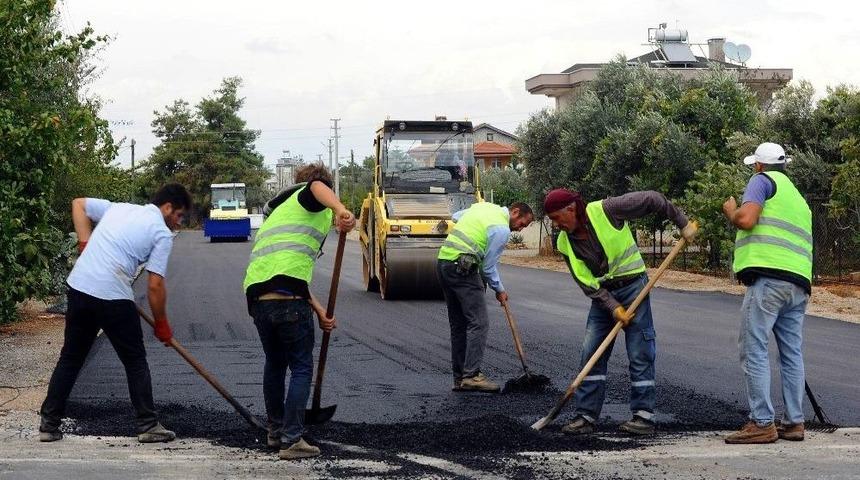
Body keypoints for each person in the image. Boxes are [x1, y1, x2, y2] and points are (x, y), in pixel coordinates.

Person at [39, 184, 191, 443]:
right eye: (179, 216)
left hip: (79, 287)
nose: (178, 223)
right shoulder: (160, 233)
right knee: (135, 361)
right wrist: (162, 324)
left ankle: (49, 424)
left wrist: (84, 242)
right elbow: (155, 285)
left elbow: (79, 203)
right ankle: (148, 424)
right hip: (112, 296)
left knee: (71, 358)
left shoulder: (119, 209)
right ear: (168, 207)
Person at [544, 188, 697, 435]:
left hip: (635, 287)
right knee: (591, 351)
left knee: (640, 351)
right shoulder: (564, 242)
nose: (555, 224)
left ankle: (643, 417)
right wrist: (614, 308)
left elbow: (653, 199)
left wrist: (682, 223)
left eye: (555, 217)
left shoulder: (606, 210)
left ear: (571, 209)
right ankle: (585, 416)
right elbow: (586, 282)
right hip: (604, 297)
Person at [243, 163, 355, 460]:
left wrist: (319, 310)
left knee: (275, 364)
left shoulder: (278, 212)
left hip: (259, 298)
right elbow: (316, 186)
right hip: (287, 300)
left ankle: (275, 431)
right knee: (302, 367)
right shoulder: (310, 193)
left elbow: (288, 276)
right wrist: (342, 210)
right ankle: (292, 440)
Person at [722, 143, 812, 444]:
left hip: (769, 281)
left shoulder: (762, 181)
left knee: (754, 347)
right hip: (798, 285)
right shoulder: (798, 199)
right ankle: (794, 422)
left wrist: (732, 211)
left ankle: (762, 422)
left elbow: (747, 220)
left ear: (759, 165)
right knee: (791, 353)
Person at [437, 201, 534, 392]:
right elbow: (487, 267)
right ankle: (472, 375)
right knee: (478, 322)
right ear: (515, 212)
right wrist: (500, 290)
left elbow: (456, 217)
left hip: (444, 263)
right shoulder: (501, 229)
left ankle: (460, 378)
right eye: (523, 223)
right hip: (464, 267)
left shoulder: (484, 207)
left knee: (459, 325)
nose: (521, 229)